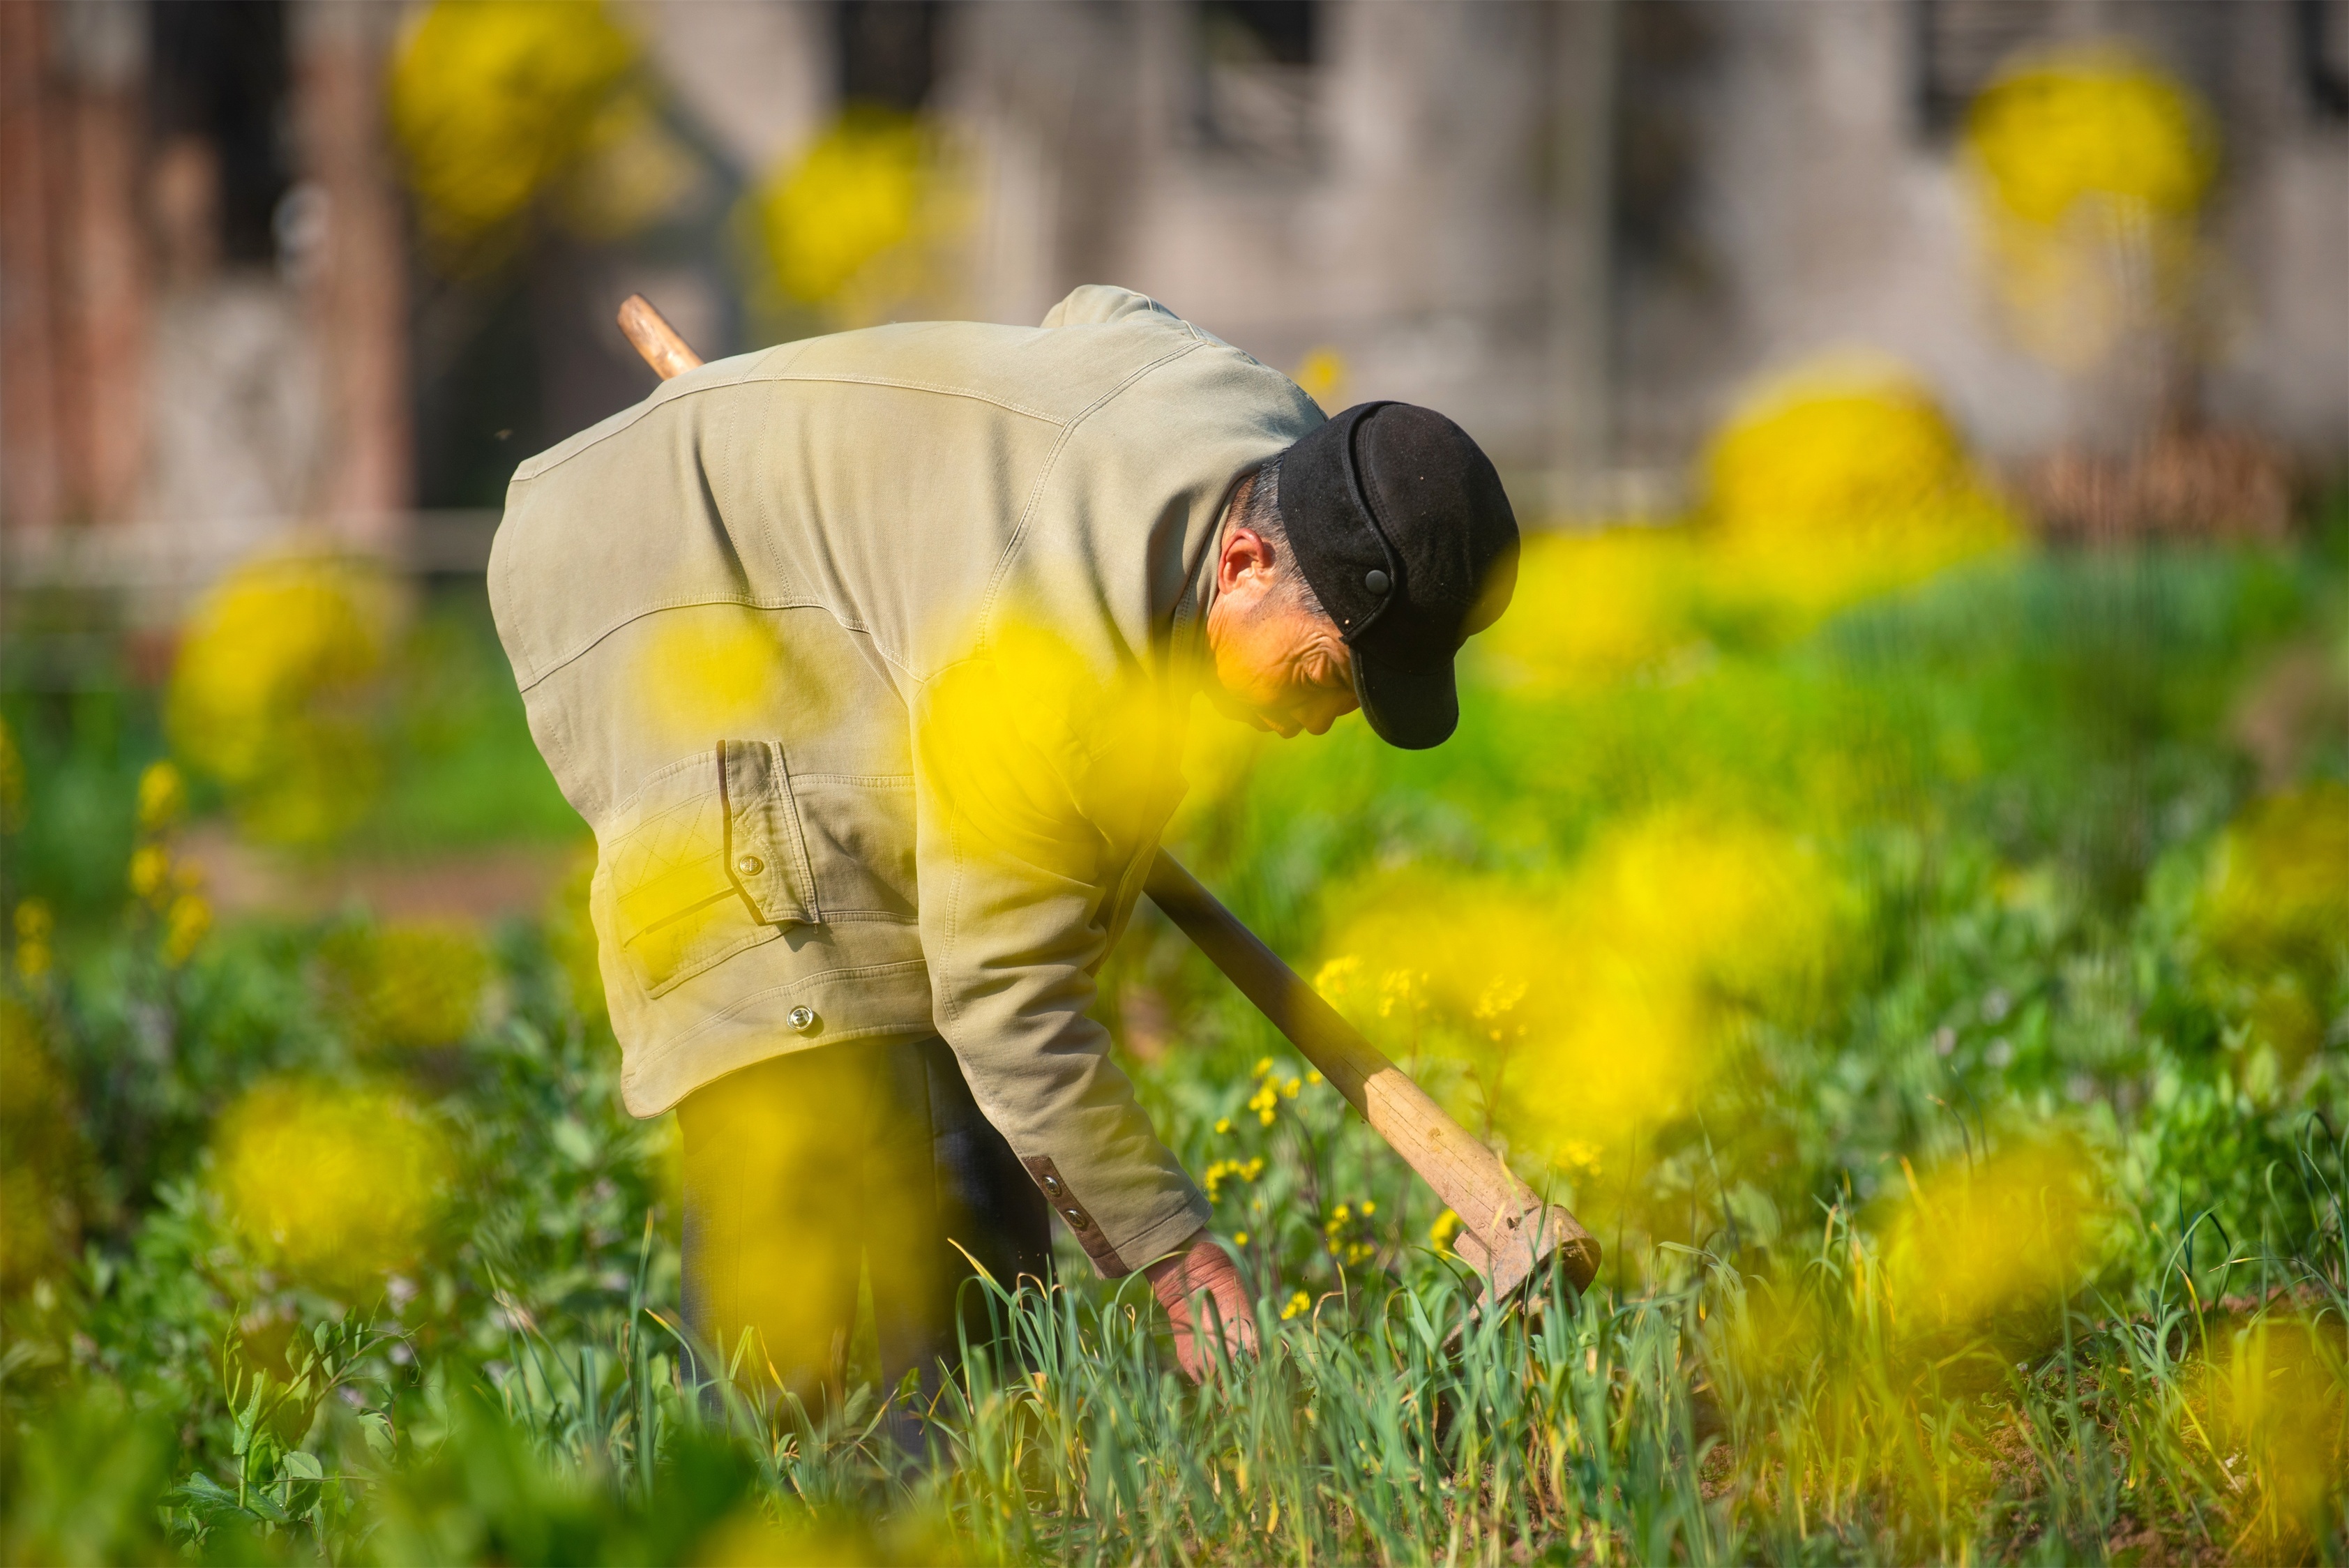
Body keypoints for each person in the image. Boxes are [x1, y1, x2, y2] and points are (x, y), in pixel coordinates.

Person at [487, 285, 1518, 1425]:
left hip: (835, 551)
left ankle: (961, 1473)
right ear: (1239, 563)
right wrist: (1177, 1260)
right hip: (662, 555)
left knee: (980, 1165)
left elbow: (1103, 313)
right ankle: (786, 1490)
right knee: (846, 1079)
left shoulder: (1274, 439)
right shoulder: (1045, 658)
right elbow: (1005, 997)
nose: (1330, 716)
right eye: (1331, 674)